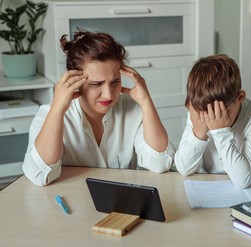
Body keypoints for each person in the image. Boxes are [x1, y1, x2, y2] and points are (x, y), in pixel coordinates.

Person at [23, 30, 175, 186]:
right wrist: (57, 110)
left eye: (115, 82)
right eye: (96, 84)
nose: (109, 95)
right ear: (74, 80)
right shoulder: (50, 113)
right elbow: (40, 175)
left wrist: (146, 102)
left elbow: (160, 163)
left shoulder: (134, 108)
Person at [174, 54, 251, 189]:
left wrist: (220, 132)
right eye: (206, 112)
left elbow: (242, 181)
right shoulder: (199, 111)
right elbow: (184, 168)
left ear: (241, 97)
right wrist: (198, 133)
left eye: (221, 111)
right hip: (205, 188)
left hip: (248, 191)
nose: (212, 117)